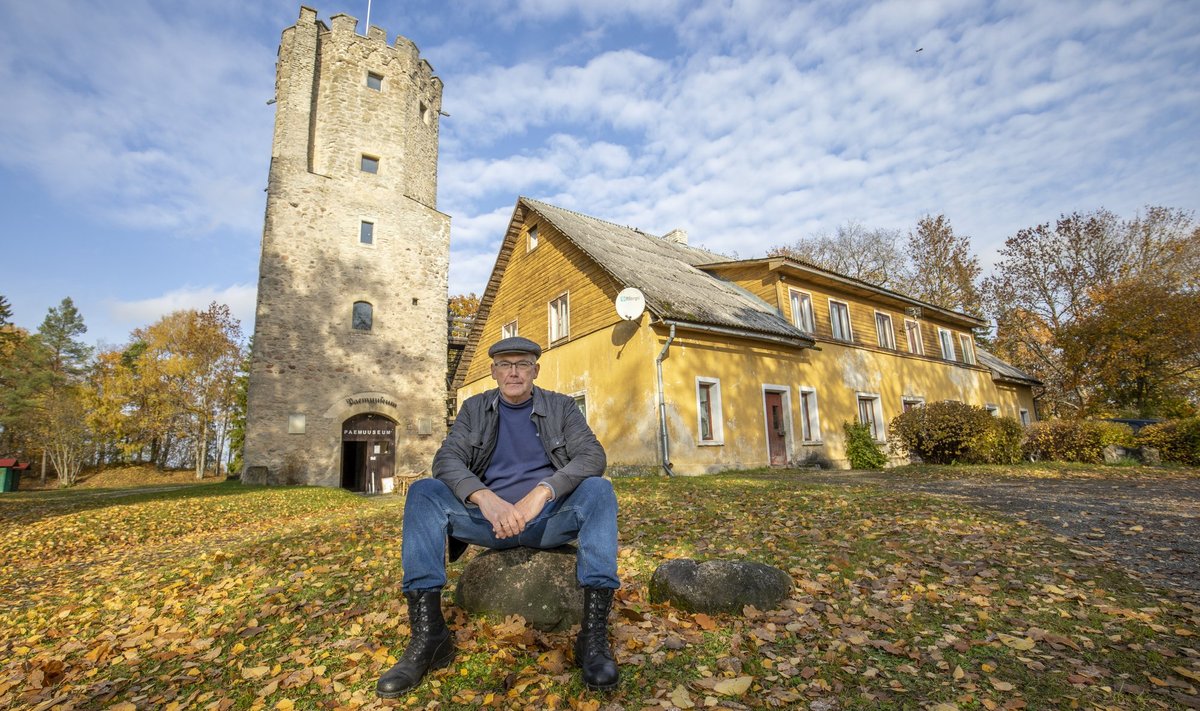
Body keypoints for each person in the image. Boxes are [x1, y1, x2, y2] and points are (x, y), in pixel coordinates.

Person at [376, 336, 620, 697]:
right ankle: (429, 637)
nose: (514, 372)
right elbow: (446, 460)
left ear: (536, 370)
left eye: (522, 364)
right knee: (423, 492)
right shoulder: (474, 409)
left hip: (546, 519)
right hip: (487, 522)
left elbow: (592, 457)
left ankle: (593, 638)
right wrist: (483, 497)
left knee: (599, 489)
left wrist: (542, 493)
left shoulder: (562, 407)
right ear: (493, 371)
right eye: (505, 364)